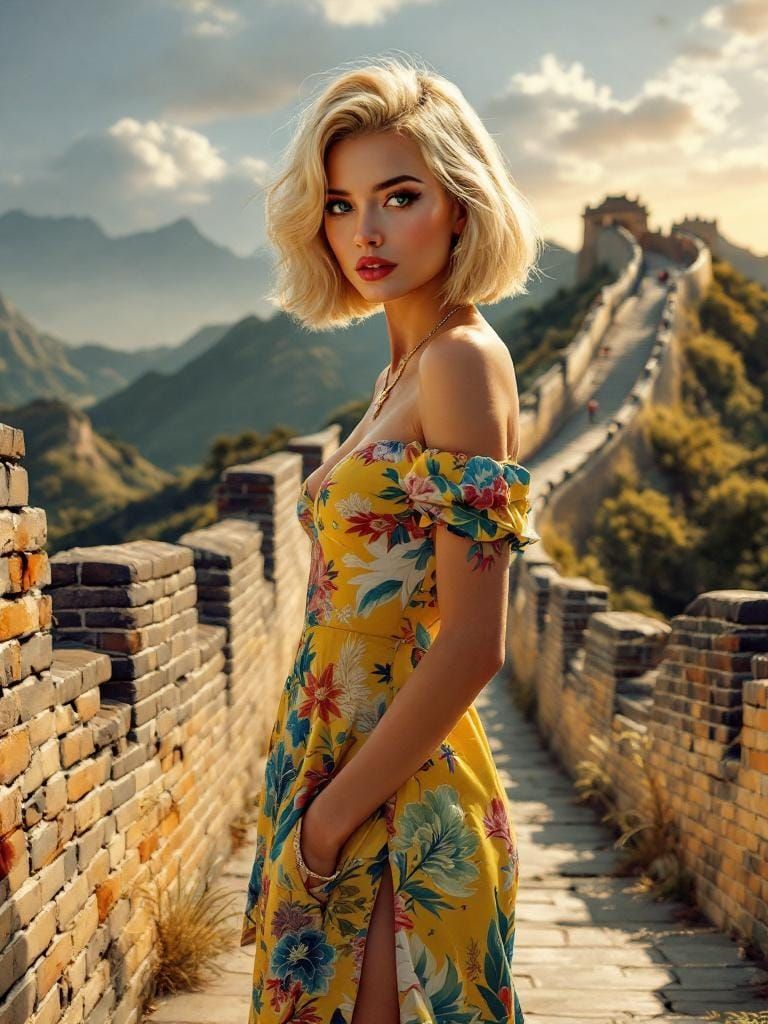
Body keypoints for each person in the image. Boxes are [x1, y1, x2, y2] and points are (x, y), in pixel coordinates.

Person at [240, 54, 542, 1024]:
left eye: (397, 196)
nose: (363, 231)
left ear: (460, 202)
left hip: (395, 799)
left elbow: (474, 638)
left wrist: (329, 824)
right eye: (339, 204)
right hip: (333, 756)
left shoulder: (459, 360)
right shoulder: (401, 368)